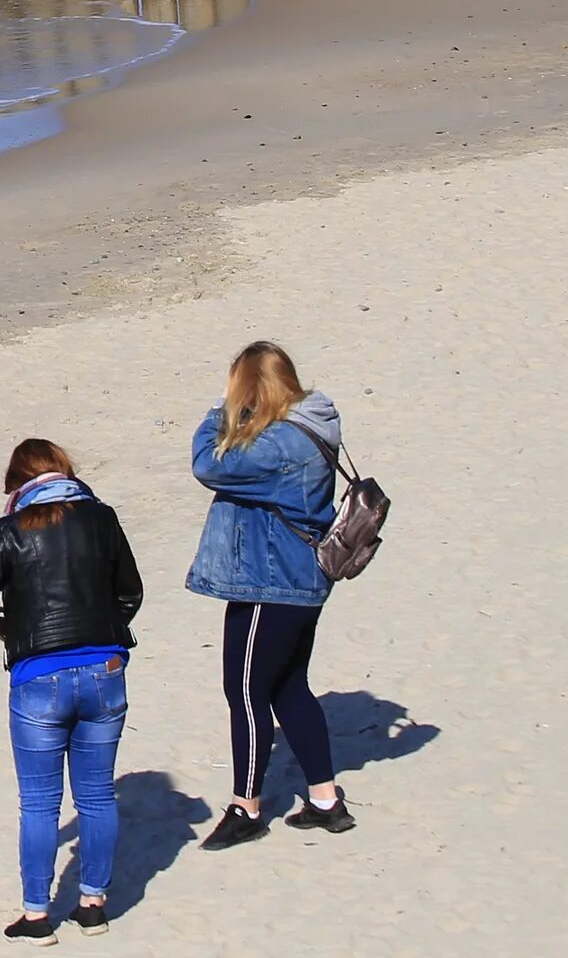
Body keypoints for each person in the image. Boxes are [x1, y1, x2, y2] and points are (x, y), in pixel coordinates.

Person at [0, 438, 144, 939]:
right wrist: (98, 628)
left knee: (40, 803)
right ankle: (92, 905)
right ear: (65, 473)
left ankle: (38, 914)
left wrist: (8, 629)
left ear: (18, 484)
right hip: (104, 670)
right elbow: (131, 593)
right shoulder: (102, 519)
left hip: (38, 678)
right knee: (97, 795)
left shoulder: (9, 529)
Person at [187, 341, 355, 848]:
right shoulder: (310, 424)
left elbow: (207, 463)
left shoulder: (278, 446)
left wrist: (219, 410)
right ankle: (325, 799)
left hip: (271, 580)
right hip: (296, 580)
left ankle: (246, 806)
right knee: (288, 687)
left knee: (244, 690)